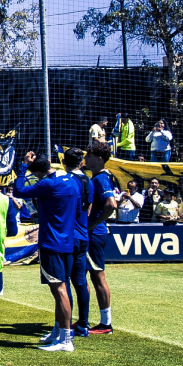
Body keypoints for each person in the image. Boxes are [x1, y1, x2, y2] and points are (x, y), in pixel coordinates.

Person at [13, 150, 81, 353]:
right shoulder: (72, 181)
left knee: (59, 290)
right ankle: (60, 330)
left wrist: (24, 166)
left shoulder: (48, 184)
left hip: (52, 242)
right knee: (60, 288)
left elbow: (18, 190)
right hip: (68, 241)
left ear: (39, 171)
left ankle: (66, 338)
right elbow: (78, 211)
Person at [83, 142, 117, 335]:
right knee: (92, 276)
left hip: (95, 234)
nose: (86, 158)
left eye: (89, 155)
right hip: (95, 232)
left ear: (99, 159)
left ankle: (106, 324)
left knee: (97, 275)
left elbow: (111, 205)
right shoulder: (97, 178)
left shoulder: (101, 179)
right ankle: (87, 320)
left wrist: (92, 224)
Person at [61, 149, 93, 336]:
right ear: (81, 162)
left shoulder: (67, 181)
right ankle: (83, 324)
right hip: (83, 235)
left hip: (68, 236)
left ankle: (66, 325)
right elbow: (88, 208)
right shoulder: (88, 181)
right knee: (80, 281)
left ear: (64, 162)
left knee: (64, 282)